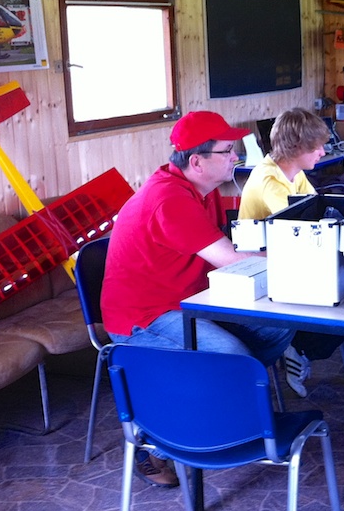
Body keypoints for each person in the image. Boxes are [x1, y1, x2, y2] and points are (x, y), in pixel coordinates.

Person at [102, 110, 294, 486]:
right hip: (143, 318)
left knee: (277, 328)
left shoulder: (203, 190)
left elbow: (230, 241)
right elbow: (233, 259)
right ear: (197, 162)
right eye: (227, 151)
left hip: (190, 302)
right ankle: (157, 442)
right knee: (231, 356)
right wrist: (305, 255)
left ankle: (210, 403)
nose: (236, 156)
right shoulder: (170, 198)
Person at [237, 107, 343, 397]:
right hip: (262, 270)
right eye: (317, 147)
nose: (323, 152)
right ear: (297, 147)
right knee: (338, 311)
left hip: (288, 260)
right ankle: (297, 347)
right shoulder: (269, 179)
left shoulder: (294, 174)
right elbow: (302, 230)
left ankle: (299, 347)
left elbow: (317, 213)